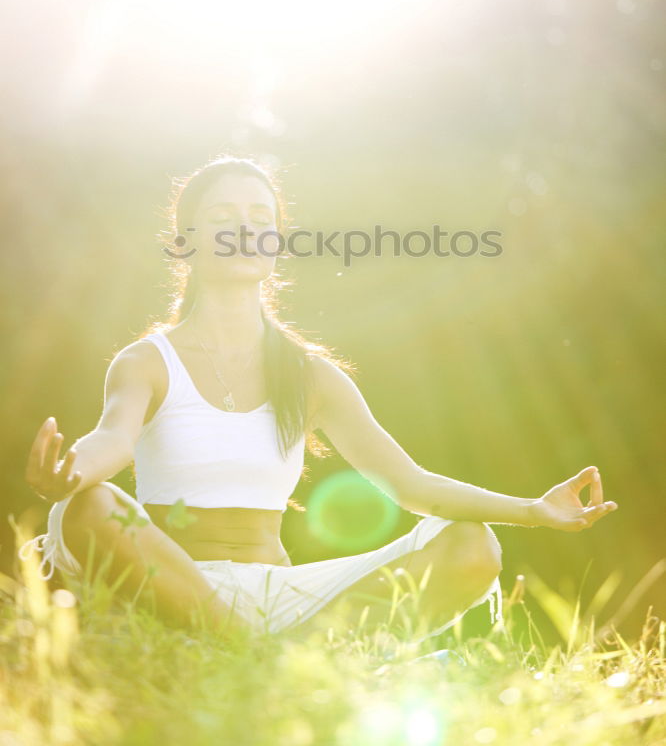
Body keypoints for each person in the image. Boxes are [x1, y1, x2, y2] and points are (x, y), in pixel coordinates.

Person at [19, 154, 618, 644]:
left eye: (260, 216)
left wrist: (534, 509)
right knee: (87, 508)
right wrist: (70, 473)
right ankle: (262, 660)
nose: (245, 228)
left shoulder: (311, 376)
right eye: (224, 215)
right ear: (186, 241)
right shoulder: (148, 361)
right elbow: (112, 439)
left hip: (281, 600)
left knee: (470, 543)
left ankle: (263, 653)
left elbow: (411, 486)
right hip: (173, 584)